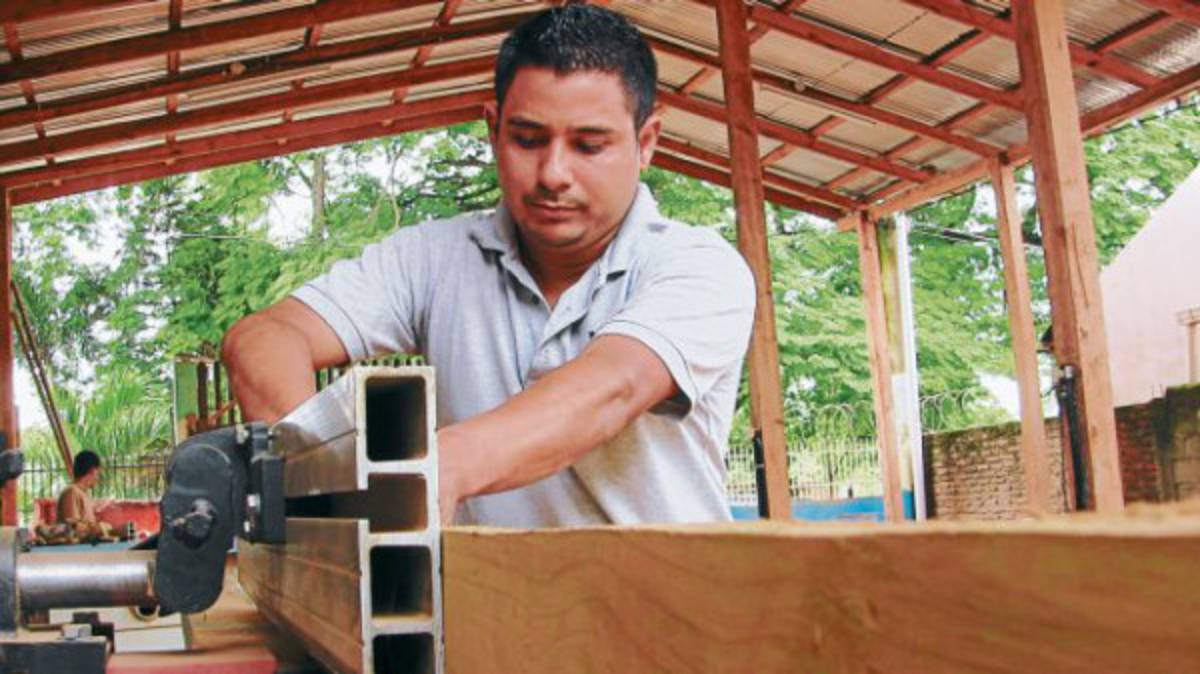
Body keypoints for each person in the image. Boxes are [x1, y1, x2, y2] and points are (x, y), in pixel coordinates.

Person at [222, 5, 755, 527]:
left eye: (589, 146)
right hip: (491, 608)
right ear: (493, 129)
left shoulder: (699, 268)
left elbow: (612, 389)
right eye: (528, 139)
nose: (553, 174)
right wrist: (319, 469)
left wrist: (429, 470)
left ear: (646, 143)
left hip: (661, 610)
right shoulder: (432, 259)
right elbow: (265, 338)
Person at [57, 449, 102, 525]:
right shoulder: (71, 492)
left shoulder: (84, 493)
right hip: (78, 537)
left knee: (126, 529)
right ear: (93, 471)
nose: (98, 477)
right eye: (98, 473)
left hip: (90, 536)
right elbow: (72, 527)